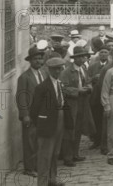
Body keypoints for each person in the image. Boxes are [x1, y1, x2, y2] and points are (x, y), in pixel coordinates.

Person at [31, 57, 73, 186]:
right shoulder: (42, 87)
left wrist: (68, 121)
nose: (58, 71)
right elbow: (34, 109)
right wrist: (42, 124)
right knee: (45, 155)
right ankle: (42, 182)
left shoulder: (59, 84)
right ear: (49, 70)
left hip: (59, 120)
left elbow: (64, 103)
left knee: (55, 153)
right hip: (47, 124)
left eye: (60, 69)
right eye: (55, 69)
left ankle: (52, 179)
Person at [16, 45, 47, 177]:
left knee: (41, 140)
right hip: (31, 115)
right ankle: (29, 168)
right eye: (35, 59)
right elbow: (21, 97)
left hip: (43, 114)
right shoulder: (24, 77)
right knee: (30, 142)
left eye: (40, 59)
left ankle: (38, 166)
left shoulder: (44, 74)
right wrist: (25, 115)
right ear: (30, 61)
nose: (38, 61)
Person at [60, 46, 94, 166]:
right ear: (75, 58)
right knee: (70, 130)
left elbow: (88, 81)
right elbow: (62, 88)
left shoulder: (83, 69)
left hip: (83, 103)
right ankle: (67, 157)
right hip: (71, 104)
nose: (83, 58)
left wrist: (89, 87)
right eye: (81, 56)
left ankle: (75, 154)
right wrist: (77, 91)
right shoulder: (67, 72)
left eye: (84, 56)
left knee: (79, 128)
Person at [90, 46, 113, 154]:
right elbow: (103, 86)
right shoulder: (107, 68)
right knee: (106, 123)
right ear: (111, 57)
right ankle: (104, 146)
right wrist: (105, 101)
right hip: (107, 98)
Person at [87, 46, 110, 150]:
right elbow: (86, 80)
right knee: (96, 118)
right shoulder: (92, 66)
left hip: (107, 96)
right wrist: (93, 78)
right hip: (95, 96)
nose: (103, 54)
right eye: (101, 52)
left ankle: (106, 141)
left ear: (108, 54)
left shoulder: (111, 66)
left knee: (106, 119)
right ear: (99, 54)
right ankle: (96, 140)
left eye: (105, 52)